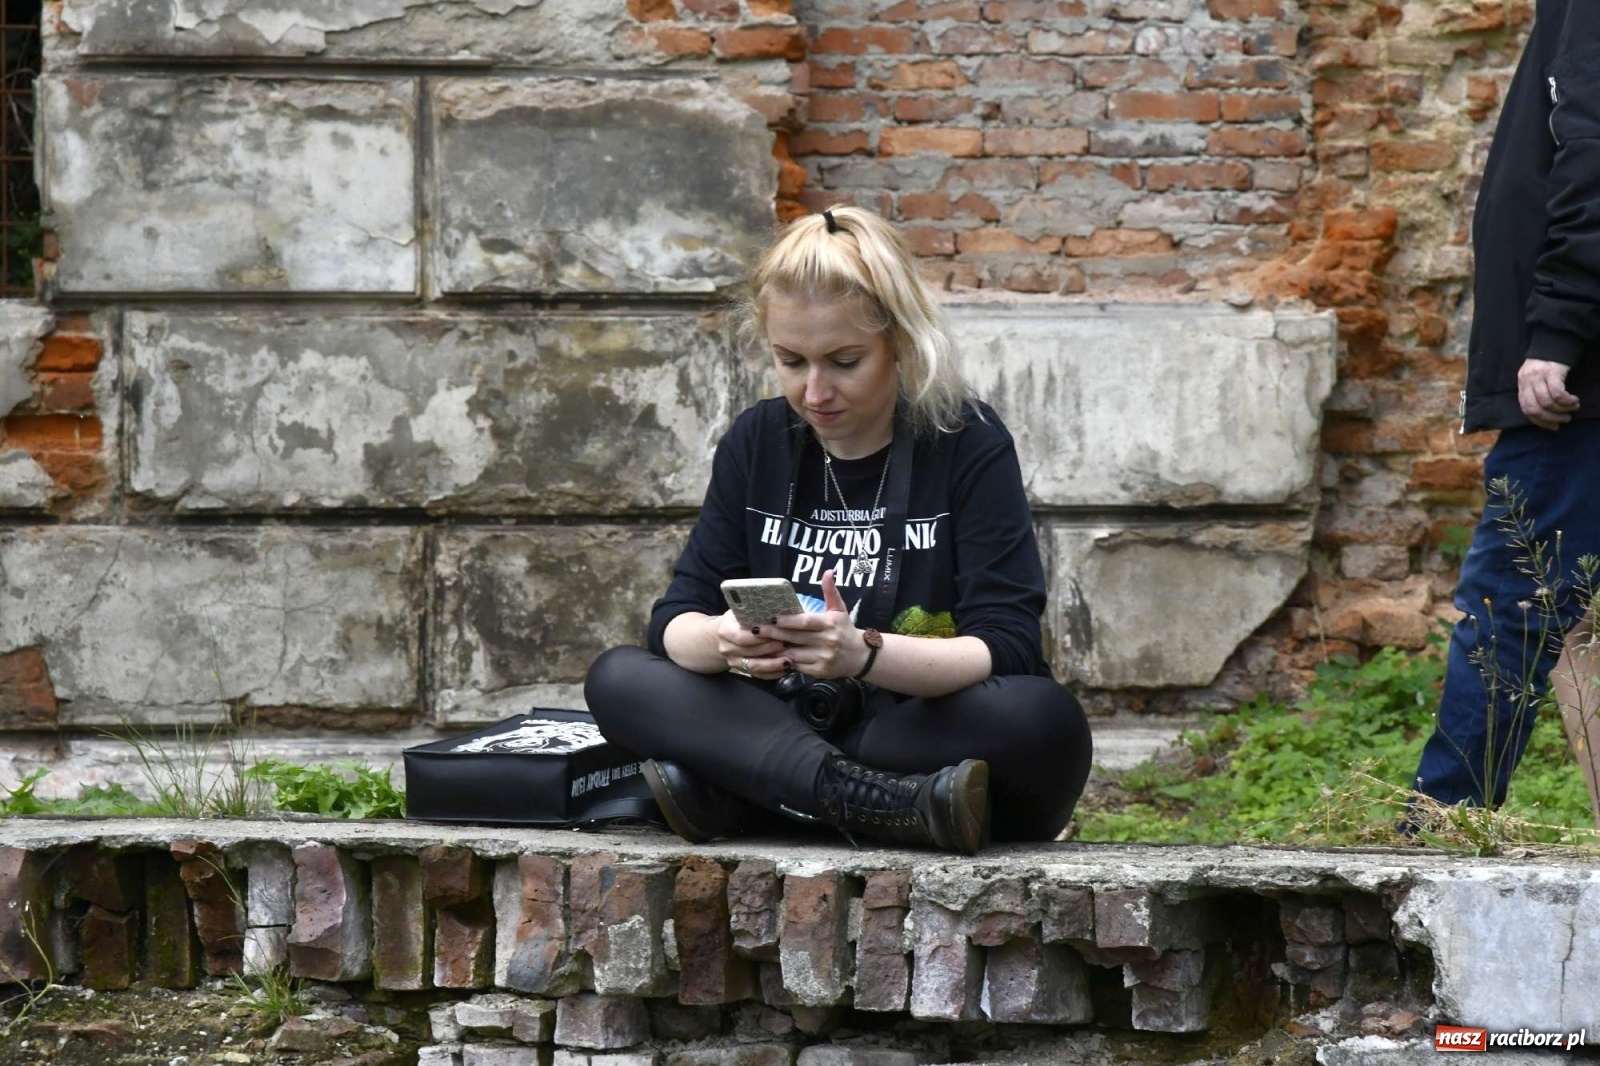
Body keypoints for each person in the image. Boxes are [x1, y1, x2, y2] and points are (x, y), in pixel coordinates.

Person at [584, 207, 1092, 853]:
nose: (815, 391)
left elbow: (1010, 644)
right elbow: (674, 622)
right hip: (785, 722)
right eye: (791, 361)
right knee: (618, 677)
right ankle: (868, 802)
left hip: (908, 730)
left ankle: (763, 796)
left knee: (1042, 719)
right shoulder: (757, 440)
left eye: (844, 361)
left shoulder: (968, 441)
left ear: (900, 343)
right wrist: (726, 639)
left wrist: (865, 655)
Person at [1409, 0, 1600, 818]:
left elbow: (1593, 152)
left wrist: (1558, 327)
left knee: (1511, 608)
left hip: (1579, 387)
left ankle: (1441, 825)